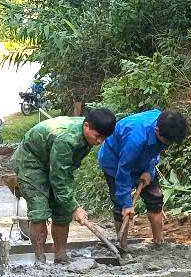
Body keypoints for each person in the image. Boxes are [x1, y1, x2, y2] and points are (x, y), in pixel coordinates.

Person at [8, 108, 117, 264]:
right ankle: (40, 260)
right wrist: (75, 207)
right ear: (86, 125)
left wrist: (68, 205)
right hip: (31, 162)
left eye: (104, 138)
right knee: (39, 211)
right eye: (98, 136)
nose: (100, 141)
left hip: (53, 162)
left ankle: (60, 256)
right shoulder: (67, 139)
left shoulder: (87, 136)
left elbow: (64, 171)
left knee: (62, 211)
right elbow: (59, 177)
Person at [98, 109, 189, 244]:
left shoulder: (167, 123)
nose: (167, 145)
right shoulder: (135, 137)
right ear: (157, 130)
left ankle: (159, 242)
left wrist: (149, 170)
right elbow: (123, 169)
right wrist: (127, 204)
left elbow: (157, 150)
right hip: (115, 162)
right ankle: (122, 246)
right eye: (167, 142)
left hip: (143, 160)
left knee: (155, 198)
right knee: (121, 206)